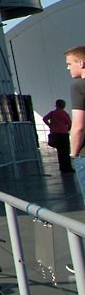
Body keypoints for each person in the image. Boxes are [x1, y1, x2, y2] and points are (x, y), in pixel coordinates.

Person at [67, 46, 85, 194]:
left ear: (81, 63)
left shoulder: (78, 87)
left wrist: (73, 154)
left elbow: (78, 126)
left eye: (70, 64)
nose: (68, 68)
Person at [43, 99, 73, 175]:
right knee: (66, 151)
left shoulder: (53, 113)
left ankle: (62, 167)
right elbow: (69, 124)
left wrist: (50, 125)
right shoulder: (65, 114)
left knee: (59, 151)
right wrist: (67, 129)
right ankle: (68, 168)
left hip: (56, 134)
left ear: (57, 105)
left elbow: (45, 118)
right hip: (64, 134)